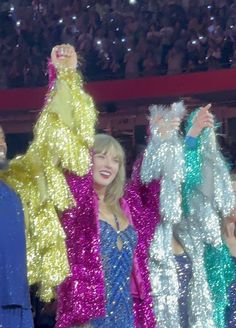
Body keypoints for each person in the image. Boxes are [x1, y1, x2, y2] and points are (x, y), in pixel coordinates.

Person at [0, 43, 97, 327]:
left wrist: (64, 77)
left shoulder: (19, 181)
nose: (1, 143)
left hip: (15, 310)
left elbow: (55, 140)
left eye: (3, 137)